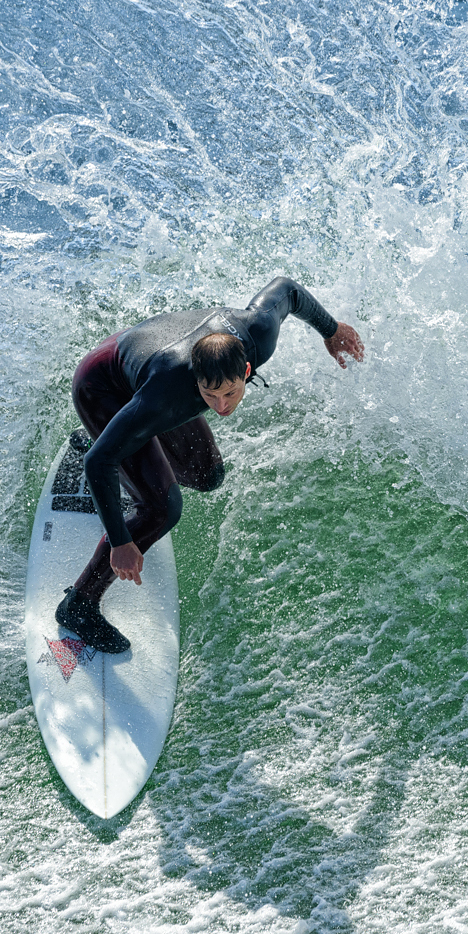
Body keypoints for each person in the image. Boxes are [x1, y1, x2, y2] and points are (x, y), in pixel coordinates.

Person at [55, 276, 365, 653]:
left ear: (247, 371)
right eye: (210, 395)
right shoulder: (167, 395)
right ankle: (79, 605)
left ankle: (117, 441)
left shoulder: (259, 331)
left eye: (230, 393)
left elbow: (288, 290)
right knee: (161, 509)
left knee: (207, 476)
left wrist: (331, 330)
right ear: (195, 382)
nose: (221, 406)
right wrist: (121, 541)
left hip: (145, 354)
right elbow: (98, 462)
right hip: (102, 383)